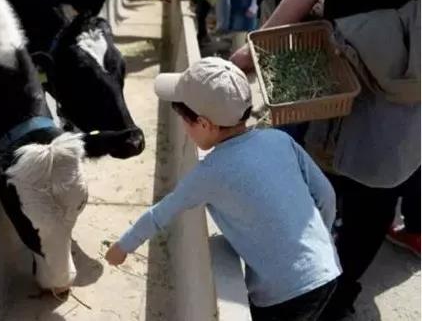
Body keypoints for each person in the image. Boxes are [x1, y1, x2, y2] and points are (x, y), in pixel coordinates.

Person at [230, 0, 420, 319]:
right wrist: (250, 52)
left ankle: (335, 290)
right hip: (352, 68)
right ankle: (326, 284)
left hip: (380, 73)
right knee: (347, 183)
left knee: (362, 187)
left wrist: (248, 53)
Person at [105, 57, 341, 321]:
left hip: (283, 293)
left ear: (204, 124)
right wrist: (321, 241)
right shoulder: (279, 138)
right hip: (328, 267)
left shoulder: (210, 172)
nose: (184, 127)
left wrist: (122, 247)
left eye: (184, 120)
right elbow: (326, 196)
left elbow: (161, 213)